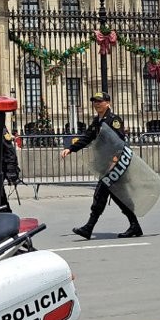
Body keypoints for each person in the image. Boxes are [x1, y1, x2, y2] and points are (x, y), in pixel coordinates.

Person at [61, 91, 143, 239]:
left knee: (101, 194)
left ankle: (89, 228)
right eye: (94, 101)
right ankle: (134, 225)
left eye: (100, 101)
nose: (96, 104)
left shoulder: (113, 120)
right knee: (117, 196)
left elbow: (120, 143)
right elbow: (87, 138)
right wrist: (71, 149)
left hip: (115, 165)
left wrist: (114, 161)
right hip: (106, 164)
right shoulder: (97, 121)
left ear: (108, 103)